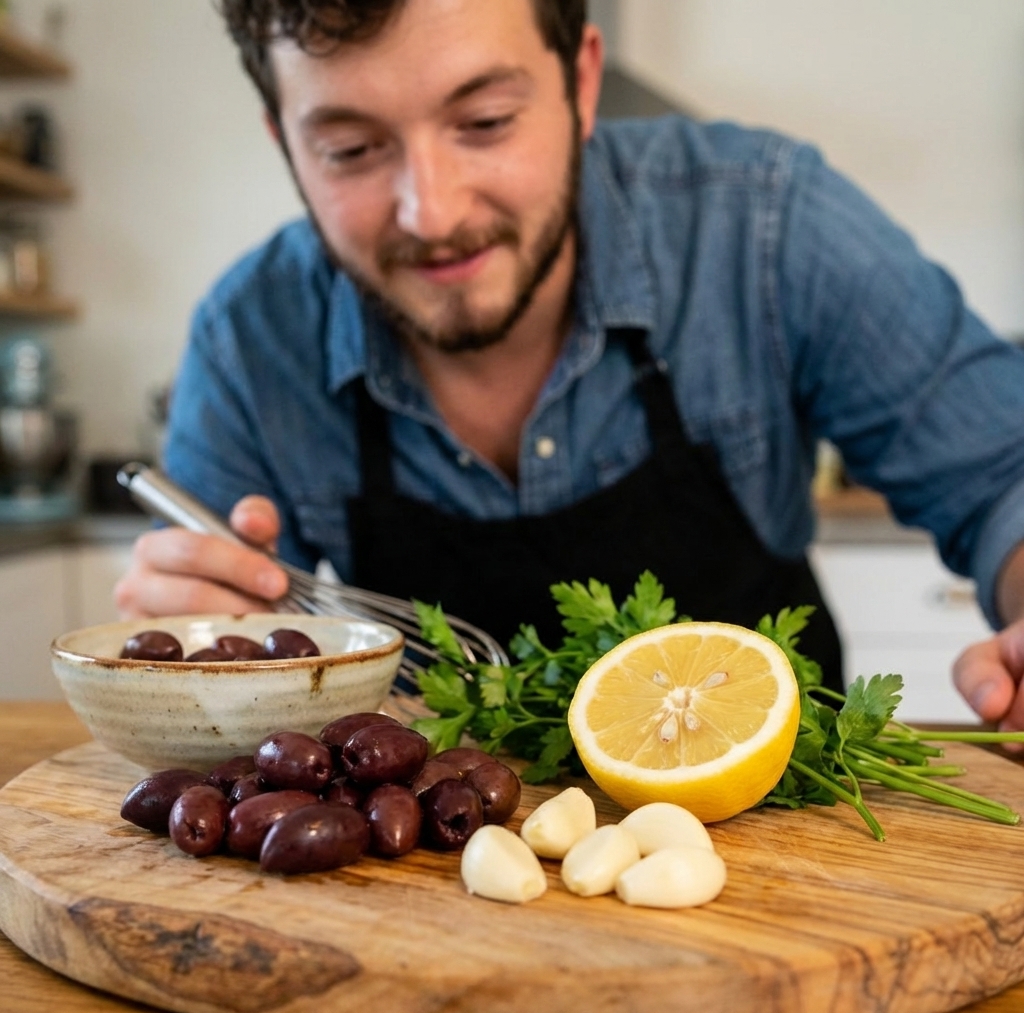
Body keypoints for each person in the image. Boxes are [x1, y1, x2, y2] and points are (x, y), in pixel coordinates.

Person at [116, 0, 1024, 735]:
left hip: (782, 845)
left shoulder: (765, 227)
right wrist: (192, 641)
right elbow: (205, 638)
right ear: (287, 143)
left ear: (581, 82)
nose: (430, 212)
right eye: (351, 150)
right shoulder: (250, 336)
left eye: (485, 121)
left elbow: (1001, 478)